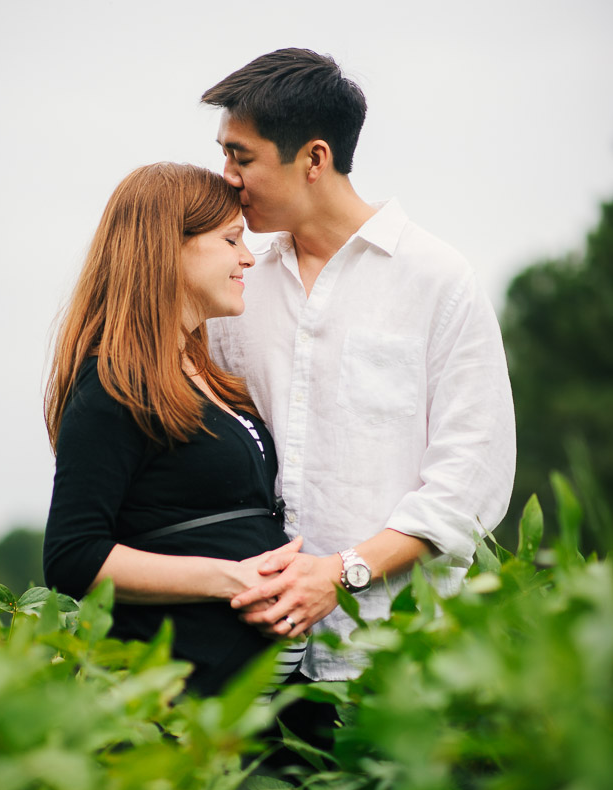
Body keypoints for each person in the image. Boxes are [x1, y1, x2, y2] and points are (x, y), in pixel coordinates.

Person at [201, 49, 517, 696]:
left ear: (314, 159)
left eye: (243, 157)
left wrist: (342, 574)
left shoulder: (438, 281)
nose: (226, 177)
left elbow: (470, 483)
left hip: (401, 665)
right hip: (255, 667)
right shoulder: (237, 289)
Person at [43, 162, 307, 697]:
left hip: (244, 711)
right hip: (168, 711)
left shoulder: (204, 374)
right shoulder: (112, 385)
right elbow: (73, 555)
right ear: (170, 247)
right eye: (232, 239)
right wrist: (231, 580)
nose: (248, 257)